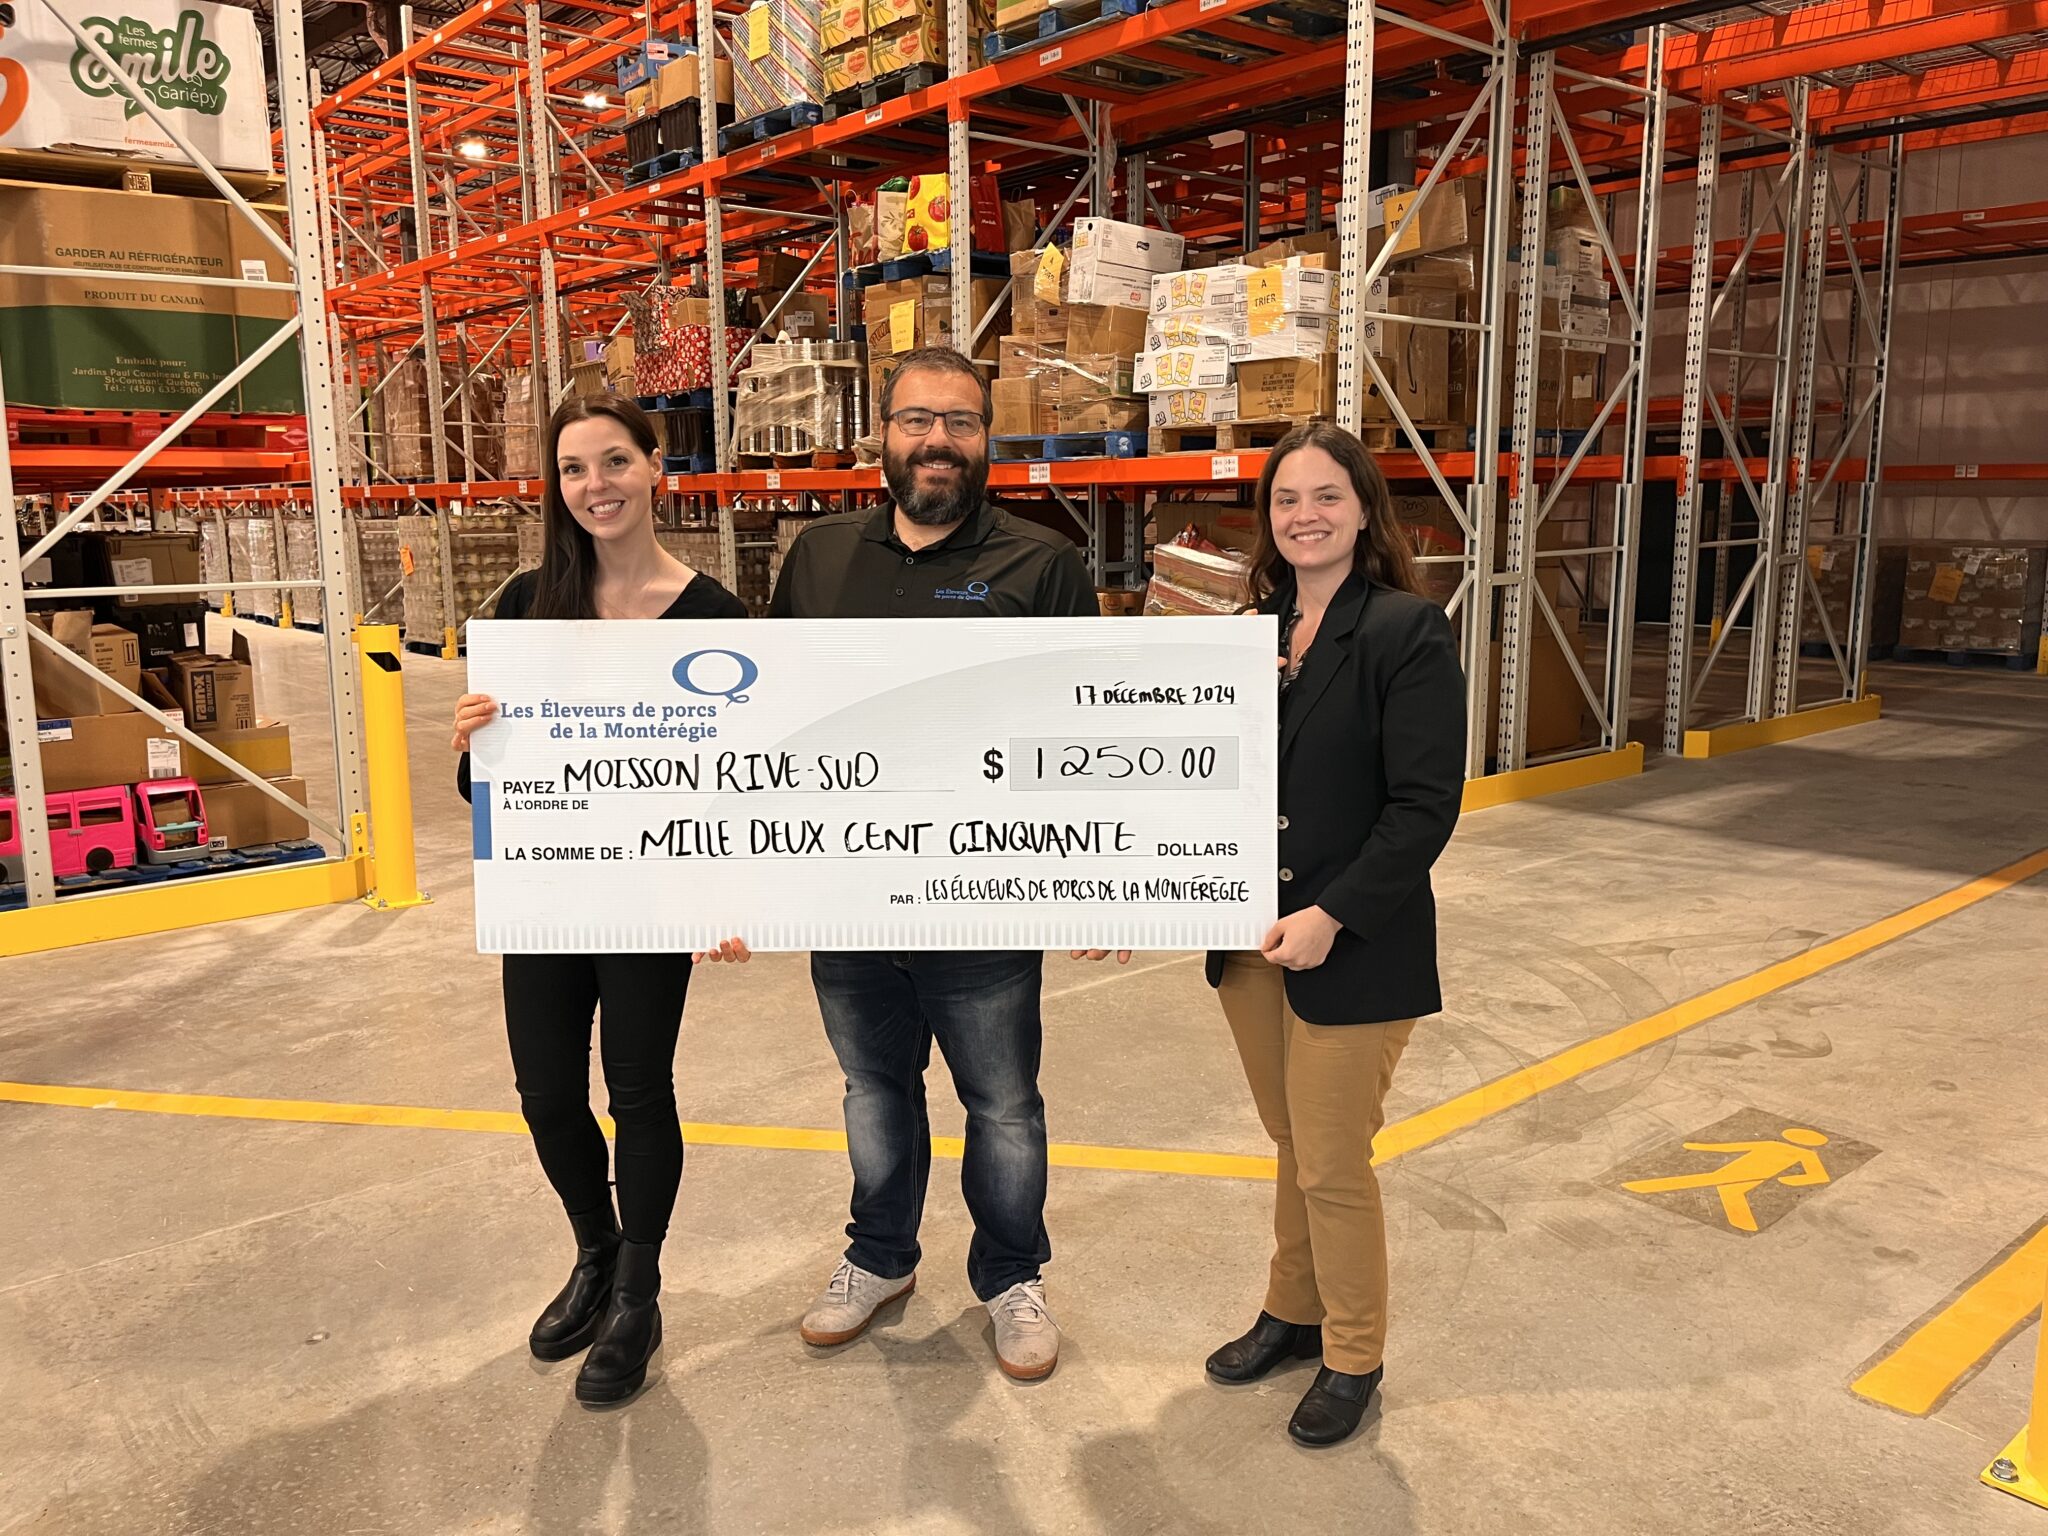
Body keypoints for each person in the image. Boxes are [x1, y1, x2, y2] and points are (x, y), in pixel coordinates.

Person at [719, 344, 1111, 1381]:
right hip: (848, 897)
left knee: (1003, 1104)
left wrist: (1101, 879)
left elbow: (1089, 730)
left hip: (983, 898)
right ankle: (880, 1258)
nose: (937, 440)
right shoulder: (817, 560)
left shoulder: (1043, 566)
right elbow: (770, 722)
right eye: (916, 420)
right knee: (872, 1091)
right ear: (880, 437)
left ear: (987, 439)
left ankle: (1012, 1276)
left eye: (960, 422)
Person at [451, 395, 747, 1406]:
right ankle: (594, 1249)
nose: (596, 486)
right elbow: (483, 791)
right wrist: (474, 739)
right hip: (546, 887)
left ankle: (637, 1291)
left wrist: (730, 893)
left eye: (615, 461)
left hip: (651, 893)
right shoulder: (526, 606)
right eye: (574, 469)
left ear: (656, 467)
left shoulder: (714, 619)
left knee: (638, 1091)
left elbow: (744, 779)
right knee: (544, 1093)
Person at [1201, 421, 1465, 1447]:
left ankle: (1353, 1355)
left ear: (1362, 511)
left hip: (1351, 943)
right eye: (1285, 499)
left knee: (1332, 1162)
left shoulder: (1404, 630)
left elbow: (1423, 806)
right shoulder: (1246, 636)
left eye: (1325, 496)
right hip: (1248, 943)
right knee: (1291, 1144)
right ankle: (1292, 1312)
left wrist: (1333, 914)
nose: (1303, 516)